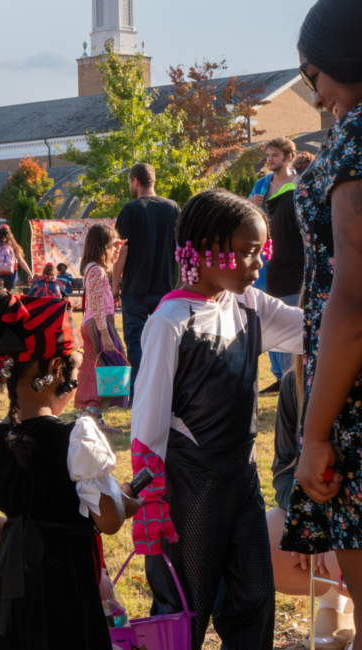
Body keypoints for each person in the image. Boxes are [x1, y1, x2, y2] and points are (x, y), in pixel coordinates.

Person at [130, 189, 303, 649]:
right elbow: (147, 419)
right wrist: (150, 500)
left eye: (260, 252)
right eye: (248, 252)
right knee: (186, 608)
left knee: (254, 598)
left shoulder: (251, 306)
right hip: (190, 487)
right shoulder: (169, 321)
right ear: (205, 249)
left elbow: (314, 329)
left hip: (241, 478)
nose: (257, 265)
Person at [0, 289, 136, 648]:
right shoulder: (76, 438)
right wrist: (126, 499)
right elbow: (110, 521)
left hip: (8, 595)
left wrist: (23, 534)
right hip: (68, 587)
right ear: (55, 370)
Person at [281, 3, 362, 641]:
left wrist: (313, 434)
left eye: (315, 76)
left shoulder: (358, 139)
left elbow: (353, 300)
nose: (316, 97)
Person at [268, 363, 355, 649]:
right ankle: (333, 605)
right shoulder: (295, 381)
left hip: (355, 517)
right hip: (327, 512)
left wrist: (342, 537)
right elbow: (283, 470)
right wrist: (312, 521)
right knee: (259, 540)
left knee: (347, 553)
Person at [111, 163, 179, 404]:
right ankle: (168, 390)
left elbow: (122, 251)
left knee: (135, 341)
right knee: (167, 341)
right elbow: (180, 248)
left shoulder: (130, 209)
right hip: (167, 287)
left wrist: (114, 285)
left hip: (136, 288)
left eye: (129, 182)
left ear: (135, 182)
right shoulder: (173, 208)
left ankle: (139, 394)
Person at [248, 137, 301, 393]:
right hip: (265, 263)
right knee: (267, 317)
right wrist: (250, 205)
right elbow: (245, 219)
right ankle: (279, 375)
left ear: (288, 157)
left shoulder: (299, 183)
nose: (270, 160)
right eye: (268, 155)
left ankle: (293, 373)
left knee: (290, 314)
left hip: (292, 259)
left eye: (275, 155)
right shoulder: (261, 185)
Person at [74, 224, 128, 436]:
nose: (114, 252)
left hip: (95, 322)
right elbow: (96, 303)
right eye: (111, 247)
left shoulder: (92, 267)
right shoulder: (96, 270)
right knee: (109, 368)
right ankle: (92, 416)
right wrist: (105, 334)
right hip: (99, 325)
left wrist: (119, 247)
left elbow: (99, 297)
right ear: (102, 247)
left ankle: (91, 415)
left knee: (97, 369)